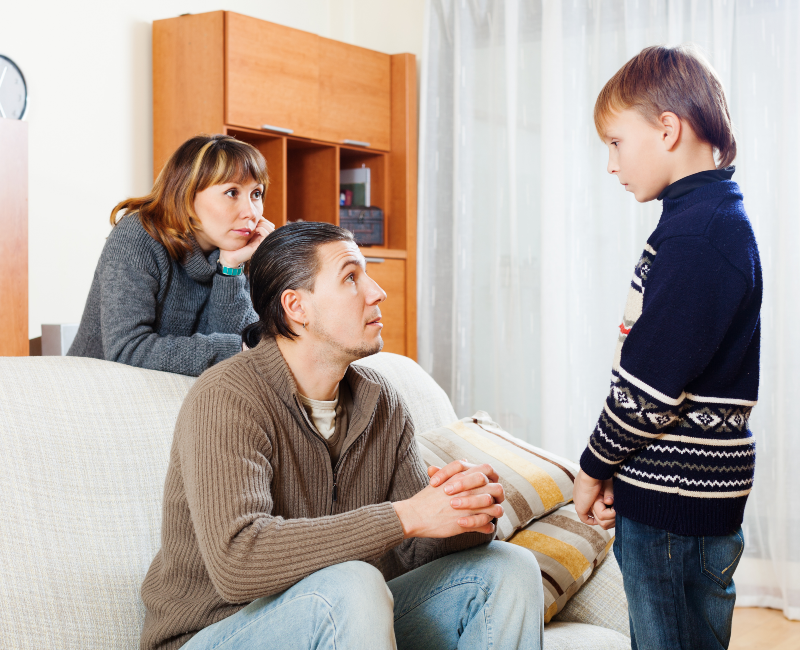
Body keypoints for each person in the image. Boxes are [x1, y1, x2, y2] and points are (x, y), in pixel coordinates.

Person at [140, 221, 544, 650]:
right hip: (216, 634)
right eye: (351, 278)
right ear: (296, 306)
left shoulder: (380, 401)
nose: (377, 292)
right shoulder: (227, 396)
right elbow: (238, 561)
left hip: (341, 616)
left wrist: (467, 511)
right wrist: (405, 516)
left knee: (509, 568)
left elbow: (412, 548)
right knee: (354, 583)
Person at [572, 46, 761, 650]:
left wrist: (593, 468)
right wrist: (620, 473)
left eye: (615, 143)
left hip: (672, 505)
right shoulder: (709, 219)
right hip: (682, 491)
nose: (611, 164)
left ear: (668, 129)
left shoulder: (698, 235)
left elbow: (651, 386)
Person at [68, 134, 273, 376]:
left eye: (256, 194)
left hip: (180, 394)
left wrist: (230, 268)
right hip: (98, 389)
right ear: (186, 195)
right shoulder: (139, 236)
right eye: (231, 192)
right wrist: (238, 349)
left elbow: (242, 364)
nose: (251, 212)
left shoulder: (239, 250)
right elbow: (126, 350)